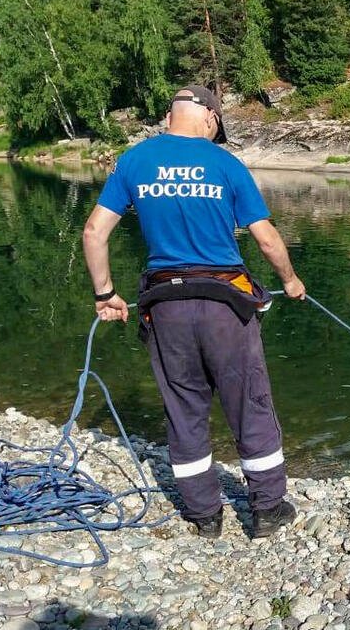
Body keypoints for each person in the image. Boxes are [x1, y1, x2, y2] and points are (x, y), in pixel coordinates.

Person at [82, 85, 305, 540]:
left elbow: (93, 232)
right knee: (249, 404)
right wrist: (290, 281)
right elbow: (264, 238)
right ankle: (267, 509)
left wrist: (106, 294)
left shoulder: (134, 161)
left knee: (184, 408)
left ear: (170, 115)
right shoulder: (225, 163)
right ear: (210, 119)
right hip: (225, 305)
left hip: (165, 307)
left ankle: (205, 516)